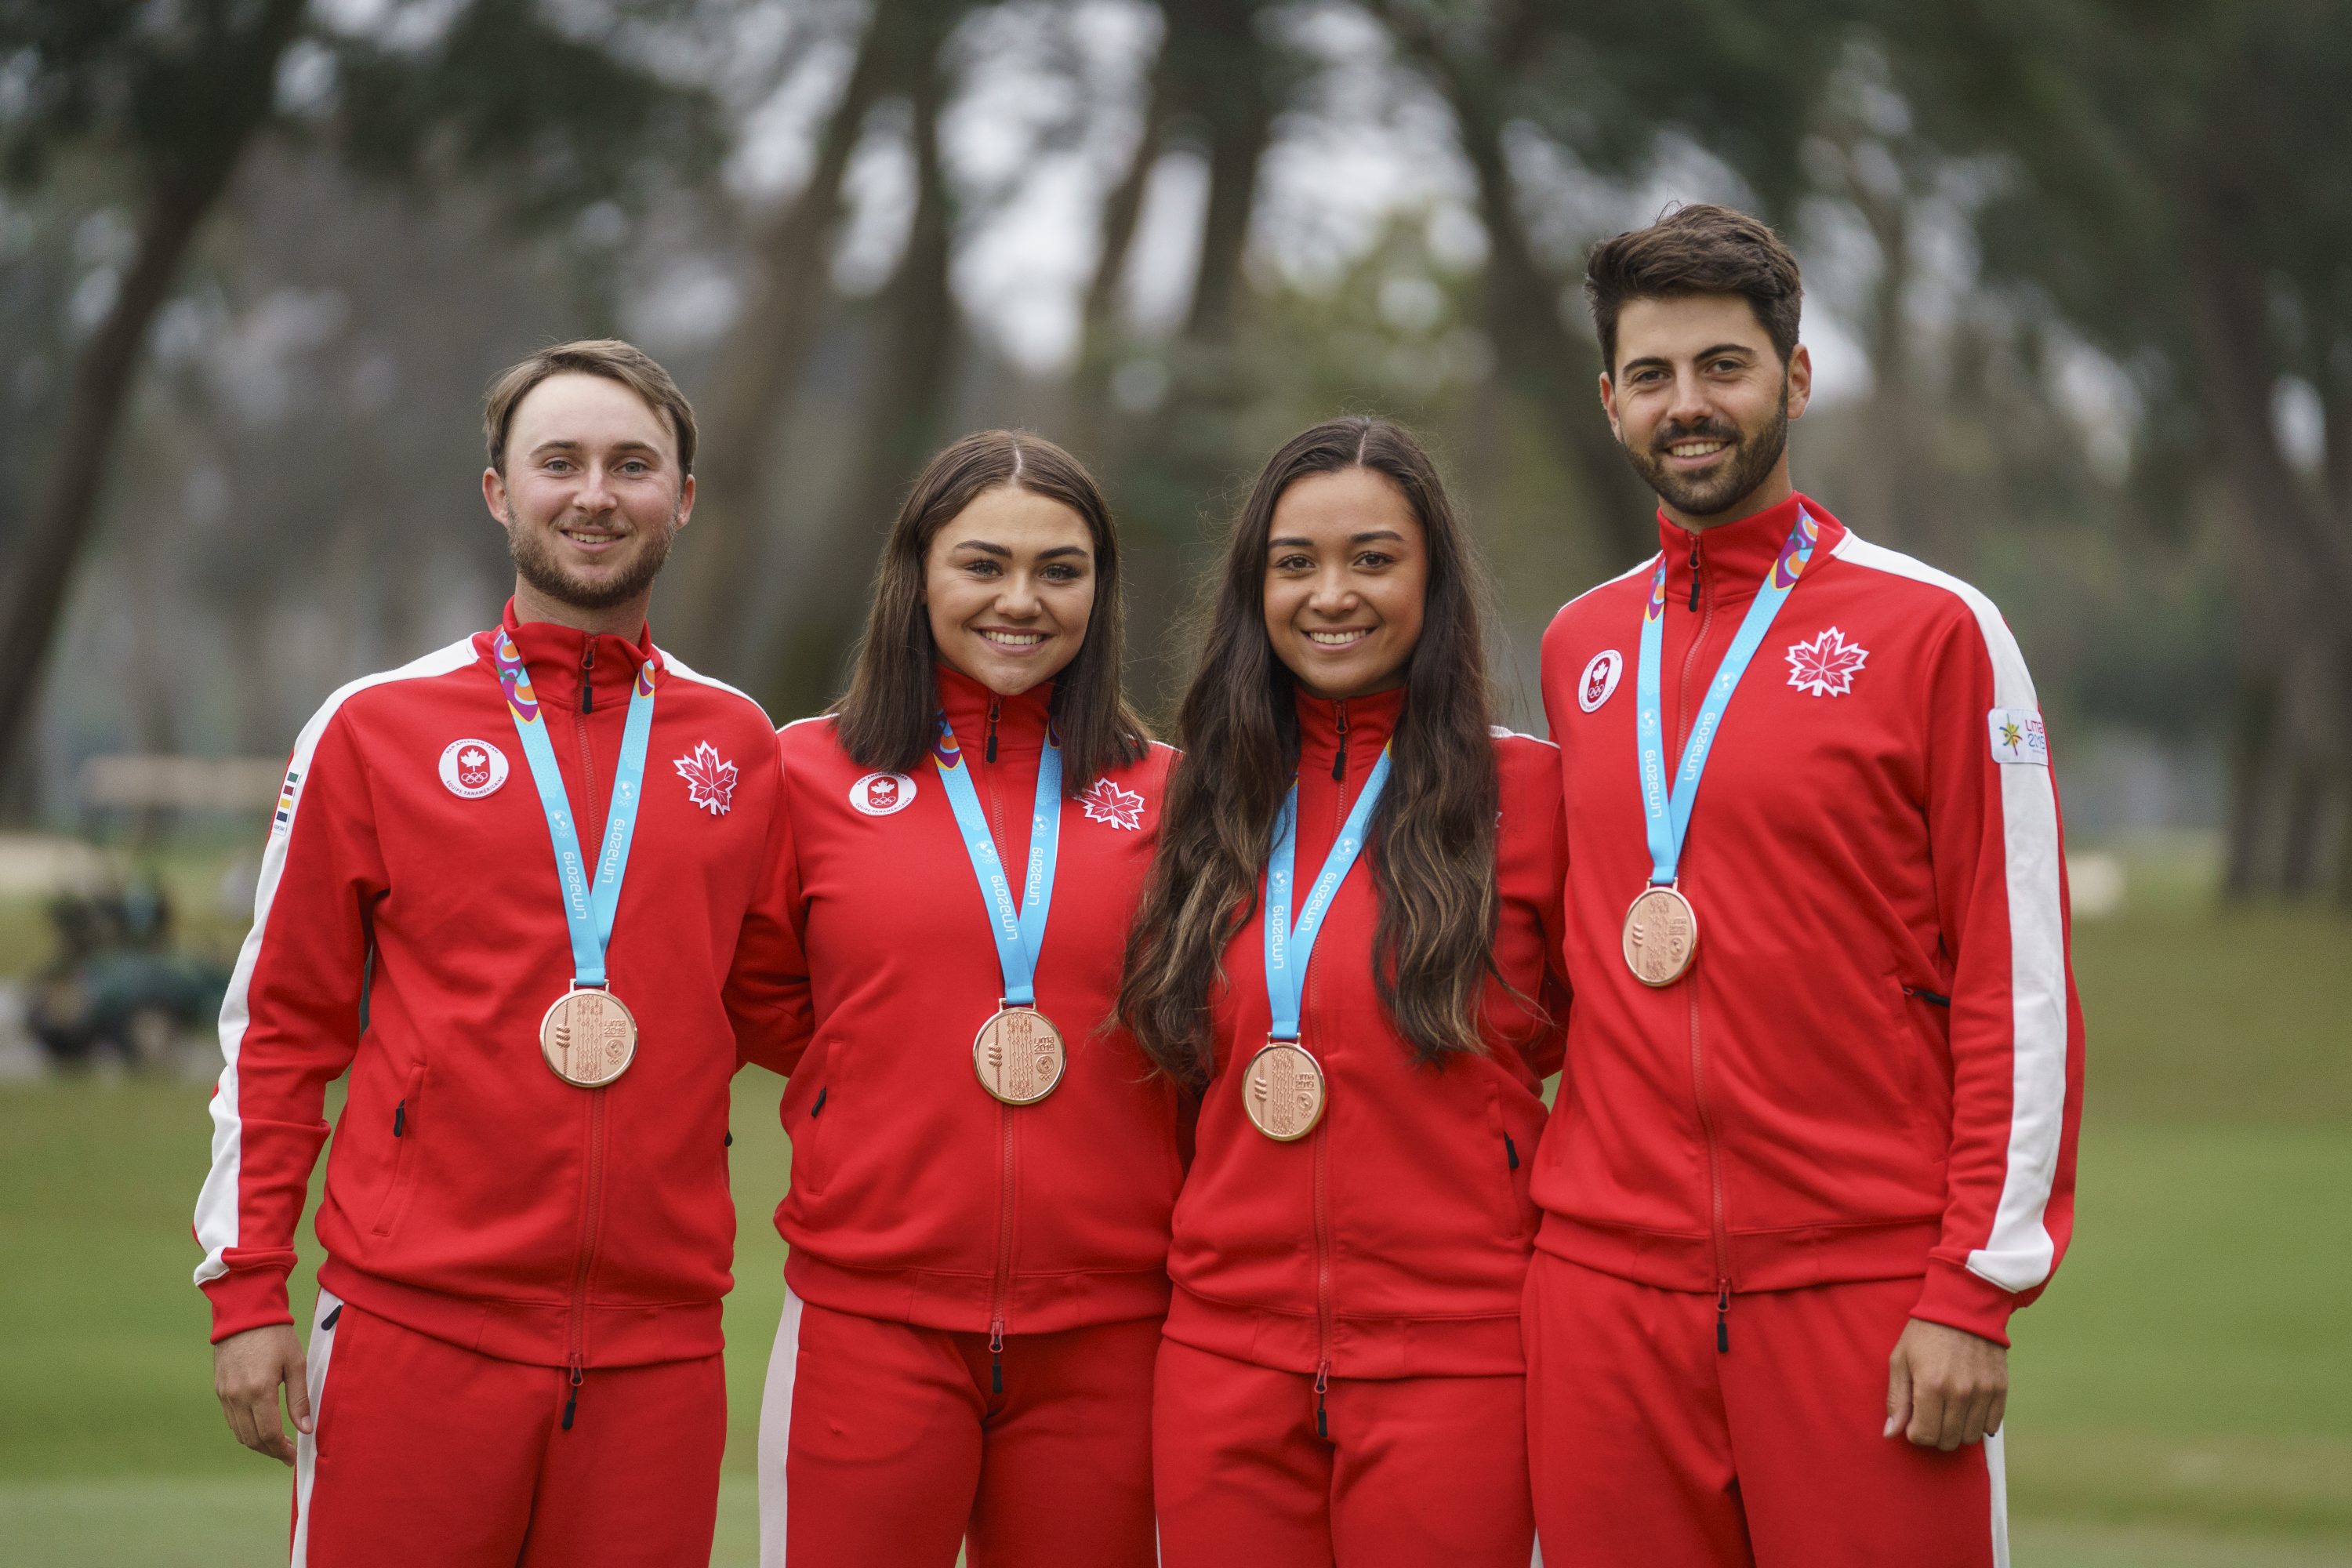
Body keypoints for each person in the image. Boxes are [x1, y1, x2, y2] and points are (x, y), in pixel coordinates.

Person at [1525, 203, 2087, 1566]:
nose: (1689, 405)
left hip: (1865, 1287)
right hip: (1607, 1295)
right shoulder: (1577, 647)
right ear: (1610, 403)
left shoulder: (1936, 628)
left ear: (1797, 376)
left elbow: (2019, 986)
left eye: (1724, 365)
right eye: (1652, 376)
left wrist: (1974, 1287)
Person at [193, 339, 803, 1566]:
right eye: (559, 462)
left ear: (682, 497)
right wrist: (248, 1286)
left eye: (634, 465)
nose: (595, 493)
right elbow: (282, 1028)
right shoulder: (375, 728)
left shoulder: (739, 745)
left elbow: (796, 1014)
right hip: (415, 1332)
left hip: (658, 1350)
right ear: (497, 491)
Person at [1121, 416, 1570, 1567]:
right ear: (1252, 587)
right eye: (1295, 562)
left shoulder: (1537, 795)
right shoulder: (1195, 801)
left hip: (1459, 1359)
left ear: (1434, 581)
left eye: (1374, 558)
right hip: (1223, 1354)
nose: (1333, 595)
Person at [747, 430, 1183, 1568]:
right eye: (984, 564)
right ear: (918, 574)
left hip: (1114, 1334)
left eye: (1061, 569)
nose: (1021, 601)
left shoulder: (1173, 794)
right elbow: (772, 1001)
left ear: (1102, 588)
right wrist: (885, 1075)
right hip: (869, 1318)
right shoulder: (804, 774)